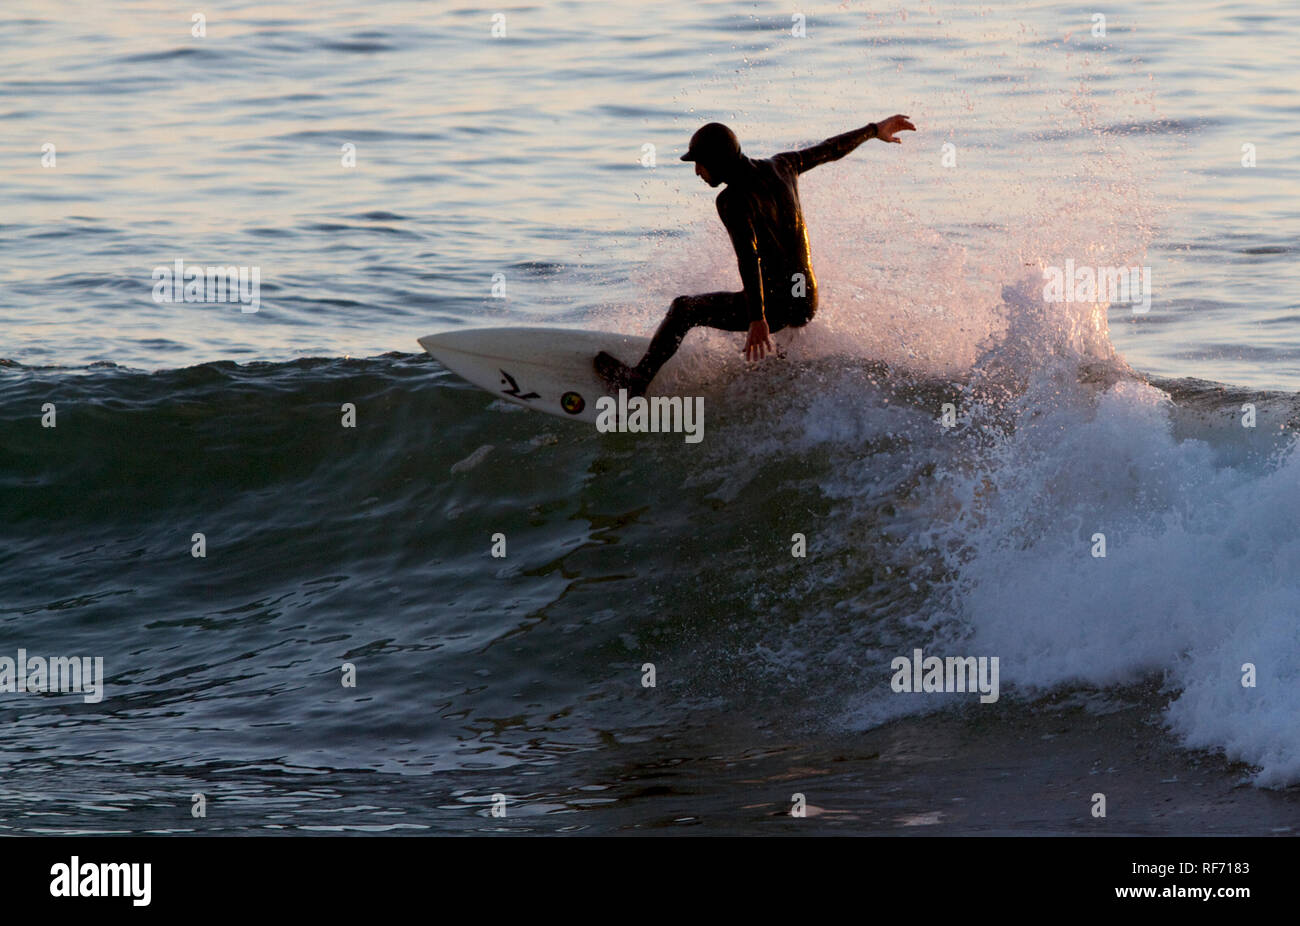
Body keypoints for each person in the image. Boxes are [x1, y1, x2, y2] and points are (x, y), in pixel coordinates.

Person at [594, 115, 916, 396]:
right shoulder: (783, 166)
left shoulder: (731, 200)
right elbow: (829, 149)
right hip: (805, 300)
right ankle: (781, 371)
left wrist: (757, 318)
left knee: (683, 310)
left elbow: (749, 257)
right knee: (782, 302)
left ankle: (636, 381)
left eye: (700, 163)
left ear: (718, 162)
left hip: (775, 305)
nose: (696, 172)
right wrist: (874, 129)